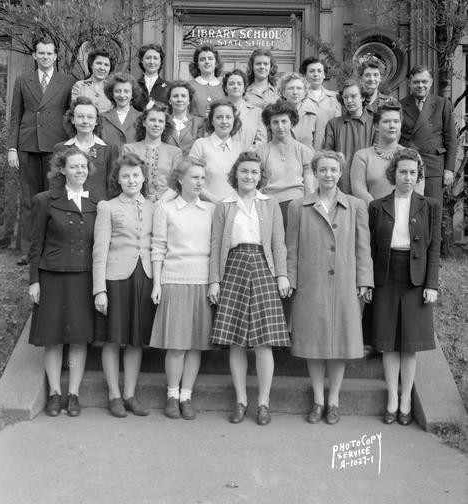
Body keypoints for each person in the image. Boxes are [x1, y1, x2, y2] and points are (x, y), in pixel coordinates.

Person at [286, 151, 373, 425]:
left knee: (340, 343)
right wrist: (290, 279)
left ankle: (334, 399)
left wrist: (364, 280)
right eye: (322, 170)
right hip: (311, 284)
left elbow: (362, 247)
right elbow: (291, 248)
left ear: (340, 172)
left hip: (344, 283)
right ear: (315, 172)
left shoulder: (356, 205)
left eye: (333, 170)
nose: (328, 175)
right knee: (313, 343)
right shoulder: (298, 206)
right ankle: (317, 400)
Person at [209, 151, 291, 426]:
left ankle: (264, 403)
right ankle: (241, 400)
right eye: (244, 171)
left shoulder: (271, 204)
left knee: (263, 341)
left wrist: (282, 275)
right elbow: (216, 245)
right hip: (233, 267)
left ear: (260, 176)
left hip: (262, 266)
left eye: (254, 172)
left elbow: (279, 243)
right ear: (236, 174)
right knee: (236, 341)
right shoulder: (224, 205)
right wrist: (214, 280)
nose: (249, 176)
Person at [368, 149, 441, 425]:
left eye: (413, 172)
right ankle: (392, 399)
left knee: (410, 344)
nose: (408, 177)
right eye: (403, 172)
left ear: (418, 175)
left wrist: (431, 284)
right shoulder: (377, 206)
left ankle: (407, 398)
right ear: (393, 174)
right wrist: (369, 282)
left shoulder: (429, 205)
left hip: (416, 277)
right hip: (386, 276)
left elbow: (434, 249)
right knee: (388, 343)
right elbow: (372, 247)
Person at [28, 147, 97, 417]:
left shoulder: (96, 203)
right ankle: (55, 393)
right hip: (53, 276)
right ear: (62, 169)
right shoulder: (45, 200)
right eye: (74, 166)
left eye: (83, 167)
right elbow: (36, 243)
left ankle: (74, 394)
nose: (79, 171)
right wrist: (34, 280)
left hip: (83, 277)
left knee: (79, 338)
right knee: (53, 338)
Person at [150, 157, 215, 421]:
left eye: (202, 177)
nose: (199, 182)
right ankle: (172, 394)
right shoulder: (165, 209)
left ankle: (187, 395)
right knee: (176, 346)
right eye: (194, 177)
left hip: (202, 280)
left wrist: (214, 283)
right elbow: (158, 247)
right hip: (174, 279)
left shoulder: (211, 210)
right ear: (180, 179)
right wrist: (157, 283)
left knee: (196, 345)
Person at [92, 153, 155, 418]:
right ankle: (114, 394)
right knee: (113, 338)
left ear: (143, 178)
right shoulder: (108, 207)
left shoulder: (154, 206)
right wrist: (99, 289)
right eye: (126, 176)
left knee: (135, 340)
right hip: (116, 277)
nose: (131, 180)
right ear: (118, 179)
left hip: (144, 276)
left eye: (136, 175)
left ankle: (130, 394)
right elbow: (99, 249)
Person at [8, 34, 74, 265]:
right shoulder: (23, 80)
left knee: (54, 197)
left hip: (55, 147)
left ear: (56, 56)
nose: (45, 57)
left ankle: (51, 246)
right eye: (41, 53)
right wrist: (12, 148)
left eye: (49, 53)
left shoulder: (66, 82)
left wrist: (70, 147)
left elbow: (70, 117)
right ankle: (28, 249)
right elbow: (15, 115)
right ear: (35, 55)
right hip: (27, 146)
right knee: (30, 198)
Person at [399, 65, 457, 203]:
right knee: (409, 209)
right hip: (409, 165)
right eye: (416, 82)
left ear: (431, 82)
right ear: (410, 83)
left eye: (424, 81)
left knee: (433, 210)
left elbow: (451, 139)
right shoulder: (401, 105)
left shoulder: (442, 104)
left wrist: (449, 169)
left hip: (434, 167)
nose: (420, 85)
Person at [256, 99, 315, 228]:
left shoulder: (304, 151)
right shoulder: (261, 152)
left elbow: (310, 187)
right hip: (270, 205)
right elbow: (256, 184)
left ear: (292, 123)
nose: (280, 126)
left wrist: (310, 209)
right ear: (269, 125)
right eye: (275, 122)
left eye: (284, 121)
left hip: (297, 204)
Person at [351, 102, 424, 204]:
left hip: (405, 215)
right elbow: (359, 190)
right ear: (376, 125)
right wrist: (380, 212)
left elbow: (418, 191)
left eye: (396, 121)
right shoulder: (362, 156)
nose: (392, 126)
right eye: (386, 121)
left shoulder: (413, 156)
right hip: (373, 215)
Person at [53, 97, 119, 202]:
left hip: (99, 208)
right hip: (69, 208)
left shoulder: (109, 148)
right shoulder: (61, 148)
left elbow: (113, 184)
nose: (85, 121)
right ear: (72, 119)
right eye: (80, 116)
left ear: (96, 121)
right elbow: (56, 184)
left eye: (90, 117)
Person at [123, 101, 182, 203]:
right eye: (152, 120)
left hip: (166, 206)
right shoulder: (129, 149)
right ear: (144, 122)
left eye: (160, 121)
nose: (156, 124)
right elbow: (127, 178)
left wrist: (161, 203)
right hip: (135, 204)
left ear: (165, 125)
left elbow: (177, 184)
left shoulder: (175, 152)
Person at [324, 79, 375, 194]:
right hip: (341, 186)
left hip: (368, 186)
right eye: (345, 97)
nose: (349, 101)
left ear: (362, 97)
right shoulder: (334, 124)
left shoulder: (375, 124)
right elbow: (328, 156)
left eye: (353, 96)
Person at [189, 100, 244, 202]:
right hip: (207, 206)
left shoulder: (240, 148)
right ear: (212, 121)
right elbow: (191, 179)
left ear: (234, 120)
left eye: (228, 117)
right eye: (219, 117)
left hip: (235, 207)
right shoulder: (200, 145)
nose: (224, 121)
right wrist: (216, 201)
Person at [299, 57, 341, 149]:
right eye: (312, 71)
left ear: (324, 75)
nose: (316, 74)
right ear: (305, 75)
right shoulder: (299, 97)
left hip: (328, 149)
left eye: (319, 71)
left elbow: (339, 127)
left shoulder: (335, 97)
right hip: (304, 149)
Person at [222, 69, 266, 149]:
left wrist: (245, 156)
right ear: (225, 88)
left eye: (239, 84)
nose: (235, 86)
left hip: (248, 159)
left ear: (244, 88)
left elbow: (261, 141)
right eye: (231, 84)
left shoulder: (257, 112)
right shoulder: (217, 111)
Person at [101, 73, 142, 152]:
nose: (122, 95)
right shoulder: (102, 118)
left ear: (132, 94)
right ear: (112, 94)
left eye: (126, 91)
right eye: (117, 91)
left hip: (134, 163)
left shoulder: (141, 118)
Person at [163, 80, 205, 156]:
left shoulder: (199, 123)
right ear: (169, 100)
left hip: (190, 165)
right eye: (175, 96)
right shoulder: (163, 121)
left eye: (183, 96)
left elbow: (202, 150)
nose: (179, 99)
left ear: (189, 100)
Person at [277, 72, 317, 149]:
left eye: (299, 88)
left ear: (305, 92)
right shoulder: (273, 114)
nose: (295, 92)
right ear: (283, 93)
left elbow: (318, 144)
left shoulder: (314, 114)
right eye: (290, 88)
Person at [71, 48, 115, 113]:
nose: (102, 68)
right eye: (98, 63)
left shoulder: (112, 89)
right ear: (91, 65)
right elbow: (75, 110)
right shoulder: (79, 86)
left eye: (106, 65)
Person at [189, 45, 224, 118]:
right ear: (197, 65)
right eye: (202, 59)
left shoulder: (224, 87)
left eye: (210, 59)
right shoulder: (188, 86)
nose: (207, 61)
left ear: (216, 63)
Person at [134, 43, 169, 111]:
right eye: (148, 58)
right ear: (142, 61)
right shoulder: (134, 85)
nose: (152, 62)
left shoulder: (169, 87)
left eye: (155, 58)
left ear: (160, 62)